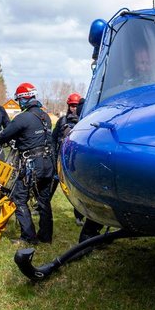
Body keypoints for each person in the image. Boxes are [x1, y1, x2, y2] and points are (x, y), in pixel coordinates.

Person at [0, 82, 55, 245]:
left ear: (22, 100)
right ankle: (46, 236)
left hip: (31, 165)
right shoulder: (46, 117)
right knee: (43, 200)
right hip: (47, 163)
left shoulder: (22, 118)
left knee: (19, 198)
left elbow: (3, 136)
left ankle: (28, 236)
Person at [52, 92, 85, 224]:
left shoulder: (84, 122)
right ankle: (40, 205)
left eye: (76, 105)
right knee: (51, 184)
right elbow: (53, 139)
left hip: (75, 161)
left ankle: (79, 216)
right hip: (60, 158)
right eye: (71, 105)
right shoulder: (62, 121)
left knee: (77, 190)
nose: (73, 108)